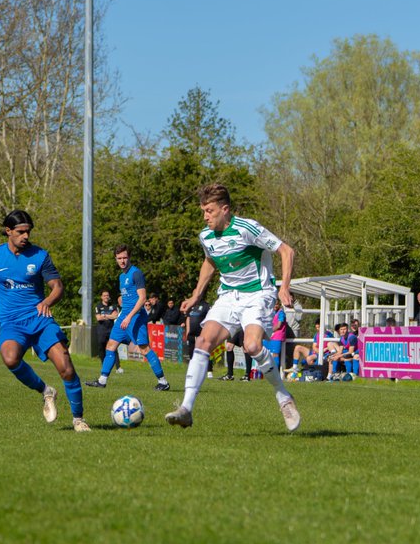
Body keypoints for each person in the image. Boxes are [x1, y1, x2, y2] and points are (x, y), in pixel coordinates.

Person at [165, 183, 301, 431]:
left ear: (225, 209)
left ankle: (283, 396)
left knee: (251, 346)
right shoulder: (206, 236)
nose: (205, 216)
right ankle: (186, 409)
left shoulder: (247, 228)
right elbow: (209, 262)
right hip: (228, 296)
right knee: (203, 342)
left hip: (258, 295)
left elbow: (286, 251)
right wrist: (197, 295)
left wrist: (284, 287)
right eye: (203, 211)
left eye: (210, 211)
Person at [0, 209, 88, 431]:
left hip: (40, 319)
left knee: (66, 366)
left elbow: (58, 287)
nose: (26, 236)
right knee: (10, 358)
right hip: (12, 323)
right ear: (8, 231)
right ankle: (46, 391)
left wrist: (47, 301)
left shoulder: (40, 256)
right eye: (21, 232)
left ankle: (79, 420)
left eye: (28, 232)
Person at [85, 246, 171, 391]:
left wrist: (129, 317)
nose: (122, 261)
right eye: (119, 258)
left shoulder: (136, 273)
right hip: (123, 316)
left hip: (135, 317)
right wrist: (122, 310)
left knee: (144, 349)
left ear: (129, 257)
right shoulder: (121, 276)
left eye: (125, 258)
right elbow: (128, 296)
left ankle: (163, 382)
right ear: (116, 259)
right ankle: (102, 380)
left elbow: (142, 298)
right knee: (110, 346)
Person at [94, 290, 118, 364]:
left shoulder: (113, 305)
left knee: (114, 347)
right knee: (102, 347)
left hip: (111, 329)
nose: (106, 297)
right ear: (101, 297)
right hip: (101, 330)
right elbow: (98, 318)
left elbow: (115, 316)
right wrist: (110, 316)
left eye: (107, 295)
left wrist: (105, 315)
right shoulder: (98, 306)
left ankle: (118, 367)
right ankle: (103, 364)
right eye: (104, 295)